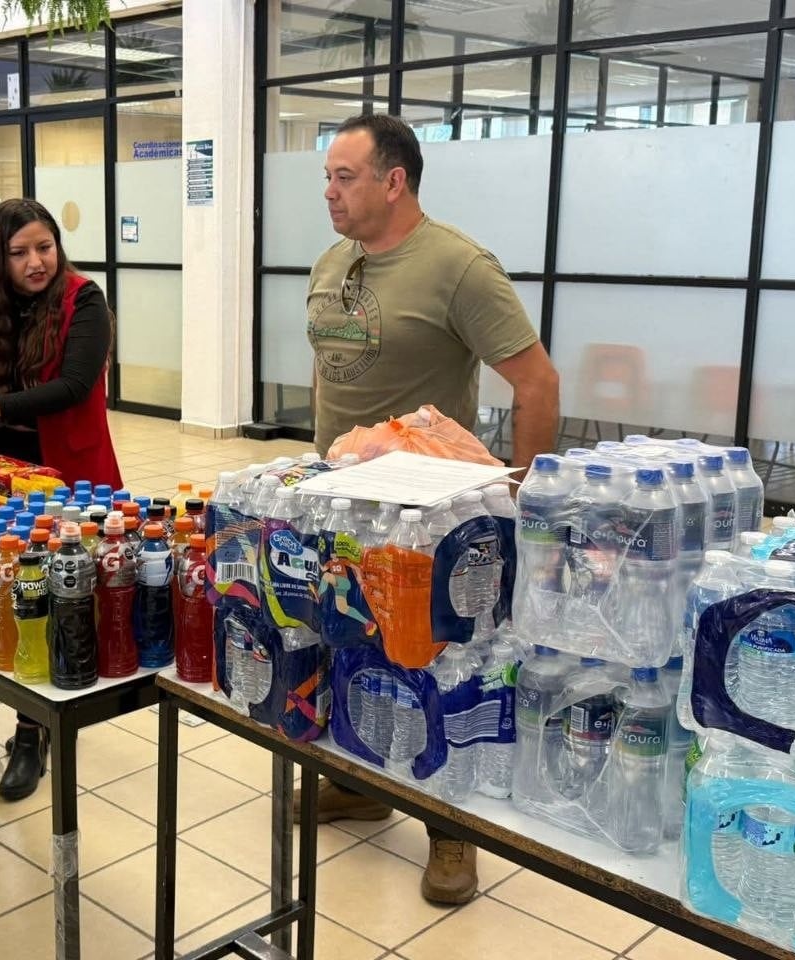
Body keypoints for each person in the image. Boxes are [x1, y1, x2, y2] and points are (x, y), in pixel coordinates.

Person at [304, 114, 560, 905]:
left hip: (430, 519)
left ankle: (452, 829)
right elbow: (330, 372)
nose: (329, 191)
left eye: (345, 176)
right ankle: (359, 782)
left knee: (438, 664)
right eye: (327, 176)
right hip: (339, 503)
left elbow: (538, 382)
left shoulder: (458, 267)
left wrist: (520, 504)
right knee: (347, 640)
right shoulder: (332, 261)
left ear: (394, 181)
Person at [0, 197, 123, 801]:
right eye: (20, 252)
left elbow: (74, 385)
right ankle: (27, 711)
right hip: (4, 479)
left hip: (68, 479)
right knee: (8, 592)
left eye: (45, 247)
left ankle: (32, 733)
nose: (36, 262)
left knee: (55, 596)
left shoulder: (84, 300)